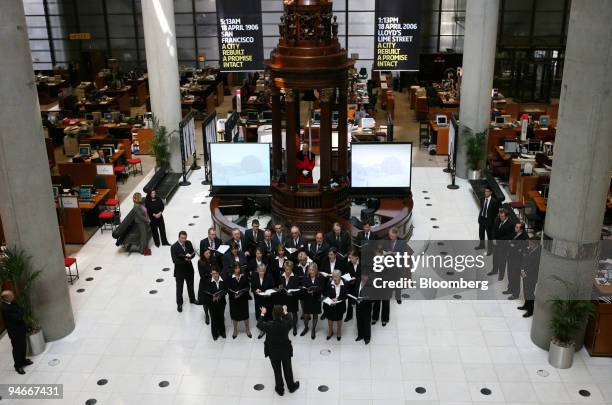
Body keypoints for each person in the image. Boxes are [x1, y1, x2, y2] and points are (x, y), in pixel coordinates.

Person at [256, 305, 300, 396]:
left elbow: (259, 324)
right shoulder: (286, 324)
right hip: (285, 350)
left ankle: (280, 389)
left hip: (273, 351)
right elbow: (291, 321)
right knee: (288, 369)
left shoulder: (268, 325)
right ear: (282, 314)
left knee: (277, 370)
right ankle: (291, 387)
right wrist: (286, 311)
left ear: (273, 314)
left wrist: (263, 313)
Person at [0, 291, 32, 374]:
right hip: (14, 332)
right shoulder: (5, 307)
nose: (13, 296)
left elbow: (21, 310)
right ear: (6, 298)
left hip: (21, 328)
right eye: (11, 296)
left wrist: (20, 313)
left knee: (23, 345)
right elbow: (18, 316)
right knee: (17, 349)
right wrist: (20, 313)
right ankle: (18, 366)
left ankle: (23, 360)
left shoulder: (13, 302)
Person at [171, 230, 197, 312]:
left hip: (189, 269)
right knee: (179, 288)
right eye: (182, 238)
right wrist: (185, 259)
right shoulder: (174, 247)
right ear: (179, 237)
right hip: (180, 271)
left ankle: (192, 299)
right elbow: (175, 260)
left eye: (185, 238)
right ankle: (179, 304)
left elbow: (193, 253)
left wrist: (191, 256)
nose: (184, 240)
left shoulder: (188, 243)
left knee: (190, 285)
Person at [301, 262, 325, 339]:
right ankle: (306, 327)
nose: (311, 271)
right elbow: (303, 287)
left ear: (316, 270)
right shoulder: (305, 277)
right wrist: (306, 290)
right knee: (306, 315)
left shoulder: (320, 277)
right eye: (309, 270)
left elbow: (322, 288)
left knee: (315, 314)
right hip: (307, 299)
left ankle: (313, 329)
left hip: (316, 298)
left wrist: (315, 290)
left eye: (312, 270)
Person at [252, 263, 276, 338]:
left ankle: (269, 330)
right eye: (260, 271)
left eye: (263, 271)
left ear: (265, 271)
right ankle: (262, 330)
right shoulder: (254, 277)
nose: (262, 273)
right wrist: (255, 290)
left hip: (268, 300)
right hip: (259, 300)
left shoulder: (269, 276)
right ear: (257, 270)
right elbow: (252, 287)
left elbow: (272, 287)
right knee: (261, 315)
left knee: (269, 316)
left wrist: (268, 292)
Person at [228, 263, 252, 339]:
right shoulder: (229, 278)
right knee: (234, 315)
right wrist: (234, 294)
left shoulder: (244, 277)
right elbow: (228, 289)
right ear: (233, 269)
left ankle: (247, 329)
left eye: (238, 268)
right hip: (234, 300)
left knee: (245, 315)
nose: (237, 270)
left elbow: (248, 287)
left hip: (243, 299)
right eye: (235, 268)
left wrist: (242, 293)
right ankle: (235, 330)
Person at [489, 209, 515, 279]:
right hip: (496, 243)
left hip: (503, 245)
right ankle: (494, 270)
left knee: (502, 260)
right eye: (500, 216)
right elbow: (494, 229)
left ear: (506, 217)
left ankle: (501, 274)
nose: (500, 217)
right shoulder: (498, 219)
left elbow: (509, 236)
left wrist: (498, 240)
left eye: (502, 216)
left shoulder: (511, 224)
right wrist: (494, 238)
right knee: (495, 258)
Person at [519, 238, 541, 318]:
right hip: (525, 274)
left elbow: (536, 267)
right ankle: (526, 305)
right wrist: (522, 270)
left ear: (536, 244)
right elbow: (524, 259)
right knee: (525, 291)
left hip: (532, 277)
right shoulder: (528, 249)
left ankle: (530, 310)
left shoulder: (539, 253)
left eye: (530, 243)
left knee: (530, 293)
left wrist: (526, 273)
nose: (529, 244)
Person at [323, 270, 348, 340]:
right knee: (330, 318)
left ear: (340, 277)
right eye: (333, 276)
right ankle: (330, 331)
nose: (334, 278)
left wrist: (338, 299)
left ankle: (339, 332)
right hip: (330, 305)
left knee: (339, 319)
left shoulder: (345, 284)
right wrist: (331, 300)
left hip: (340, 305)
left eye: (336, 276)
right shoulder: (329, 283)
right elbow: (326, 294)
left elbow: (346, 295)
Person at [279, 261, 302, 335]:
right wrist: (280, 287)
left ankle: (294, 326)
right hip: (284, 298)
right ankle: (286, 325)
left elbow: (297, 289)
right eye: (286, 269)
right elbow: (279, 286)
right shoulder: (281, 276)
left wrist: (292, 293)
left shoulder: (295, 276)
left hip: (293, 299)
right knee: (284, 312)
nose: (287, 271)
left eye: (289, 269)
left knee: (294, 313)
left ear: (292, 268)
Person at [475, 186, 500, 255]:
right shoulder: (482, 199)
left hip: (489, 221)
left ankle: (490, 250)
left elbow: (496, 213)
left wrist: (492, 221)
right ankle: (481, 245)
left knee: (489, 237)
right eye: (485, 191)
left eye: (487, 191)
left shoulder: (494, 201)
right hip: (482, 219)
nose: (486, 193)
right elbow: (482, 208)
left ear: (491, 192)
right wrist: (480, 217)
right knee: (481, 233)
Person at [506, 222, 527, 299]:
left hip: (517, 260)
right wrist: (512, 245)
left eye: (517, 227)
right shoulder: (514, 233)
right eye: (515, 227)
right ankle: (510, 289)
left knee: (515, 277)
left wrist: (512, 245)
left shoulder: (523, 237)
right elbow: (509, 243)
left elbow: (518, 249)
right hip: (510, 258)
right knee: (509, 274)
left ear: (521, 229)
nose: (515, 228)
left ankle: (515, 294)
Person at [205, 268, 227, 340]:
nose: (214, 275)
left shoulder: (223, 280)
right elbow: (206, 293)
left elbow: (225, 290)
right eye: (213, 274)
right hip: (212, 304)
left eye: (215, 273)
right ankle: (214, 334)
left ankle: (222, 332)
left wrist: (220, 295)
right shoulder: (208, 281)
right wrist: (213, 298)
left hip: (221, 303)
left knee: (221, 317)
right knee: (214, 319)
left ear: (218, 273)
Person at [352, 272, 373, 345]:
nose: (364, 277)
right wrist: (355, 300)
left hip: (366, 306)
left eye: (366, 276)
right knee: (359, 320)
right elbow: (355, 292)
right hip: (358, 305)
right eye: (363, 275)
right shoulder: (358, 281)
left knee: (366, 322)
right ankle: (360, 335)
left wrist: (364, 299)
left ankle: (367, 337)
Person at [197, 248, 214, 325]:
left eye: (209, 253)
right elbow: (202, 275)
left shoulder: (212, 259)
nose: (208, 255)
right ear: (203, 254)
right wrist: (210, 275)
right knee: (205, 301)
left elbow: (217, 268)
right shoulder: (200, 262)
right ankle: (206, 315)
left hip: (213, 281)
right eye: (207, 253)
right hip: (205, 283)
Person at [343, 250, 361, 322]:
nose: (350, 259)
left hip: (359, 286)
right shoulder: (348, 264)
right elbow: (346, 273)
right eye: (350, 258)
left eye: (352, 258)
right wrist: (349, 278)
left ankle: (359, 316)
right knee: (350, 301)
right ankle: (349, 316)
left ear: (356, 257)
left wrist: (356, 279)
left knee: (359, 302)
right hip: (351, 284)